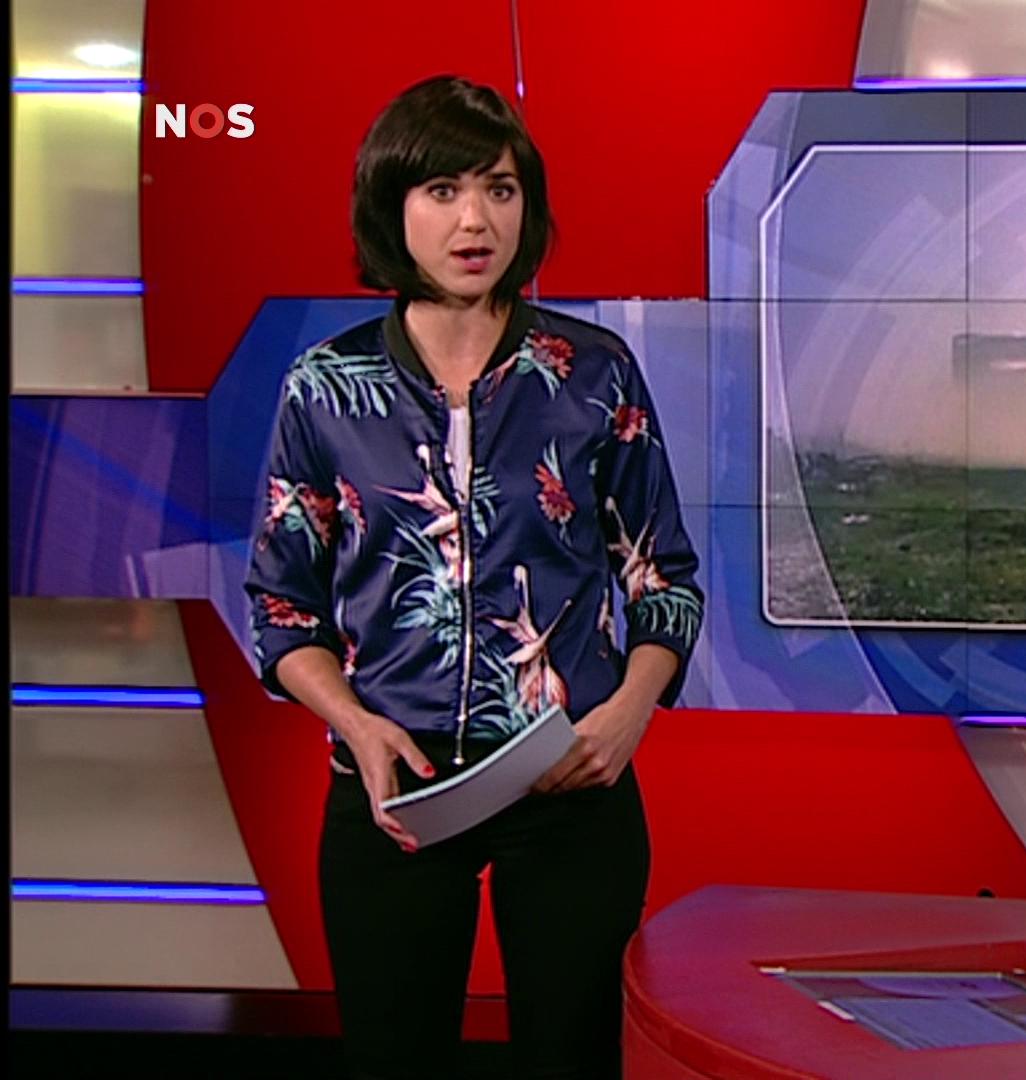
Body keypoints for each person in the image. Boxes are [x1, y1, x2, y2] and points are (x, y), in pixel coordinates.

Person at [244, 74, 702, 1080]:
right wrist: (355, 724)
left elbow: (663, 576)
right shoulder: (326, 387)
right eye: (443, 190)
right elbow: (281, 609)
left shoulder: (593, 373)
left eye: (499, 189)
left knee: (572, 1058)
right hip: (394, 786)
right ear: (392, 206)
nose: (474, 220)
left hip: (570, 782)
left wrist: (627, 714)